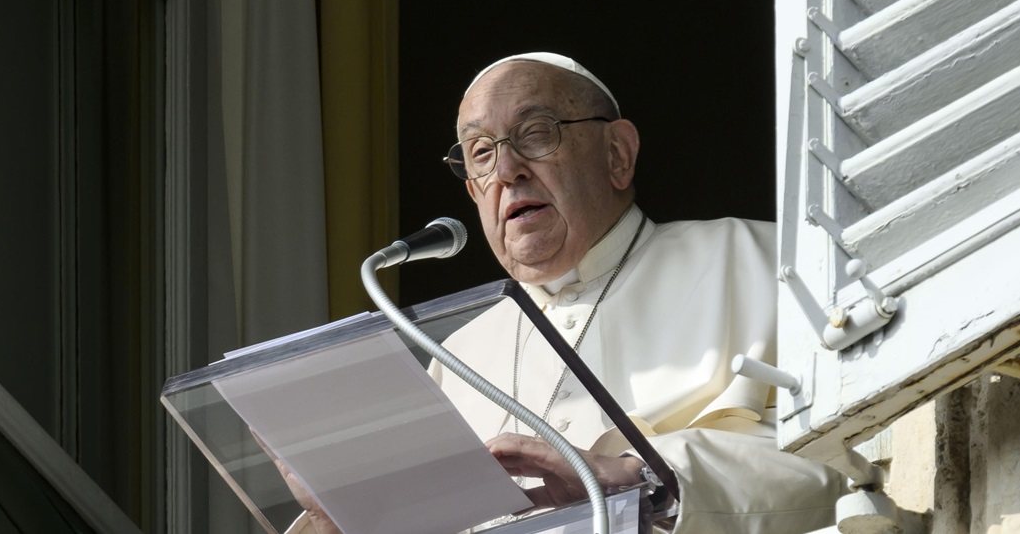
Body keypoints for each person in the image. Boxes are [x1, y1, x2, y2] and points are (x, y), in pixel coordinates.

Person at [290, 53, 848, 534]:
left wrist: (636, 480)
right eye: (481, 152)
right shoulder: (455, 358)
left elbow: (857, 465)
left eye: (535, 134)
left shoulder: (764, 264)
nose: (507, 170)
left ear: (617, 155)